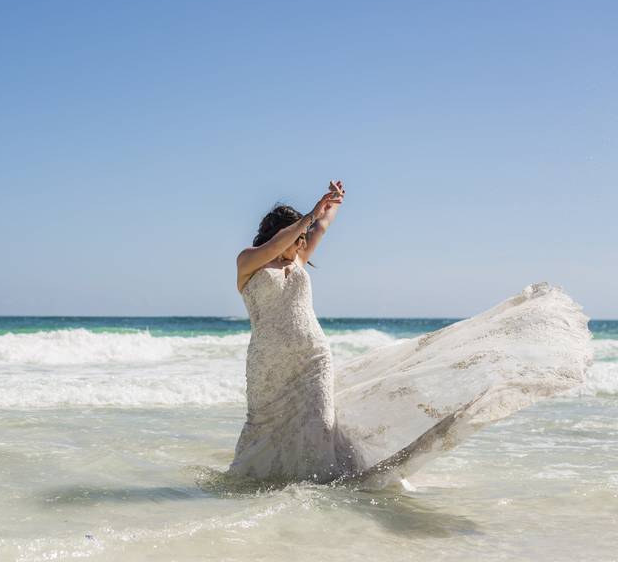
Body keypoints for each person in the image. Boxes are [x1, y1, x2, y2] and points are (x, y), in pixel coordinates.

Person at [230, 181, 592, 488]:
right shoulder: (249, 261)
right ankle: (258, 483)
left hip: (312, 359)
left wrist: (331, 205)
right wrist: (308, 216)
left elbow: (320, 227)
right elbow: (276, 246)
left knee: (319, 426)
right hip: (268, 366)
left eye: (303, 238)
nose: (303, 243)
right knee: (263, 425)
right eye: (298, 235)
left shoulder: (297, 256)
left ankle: (314, 487)